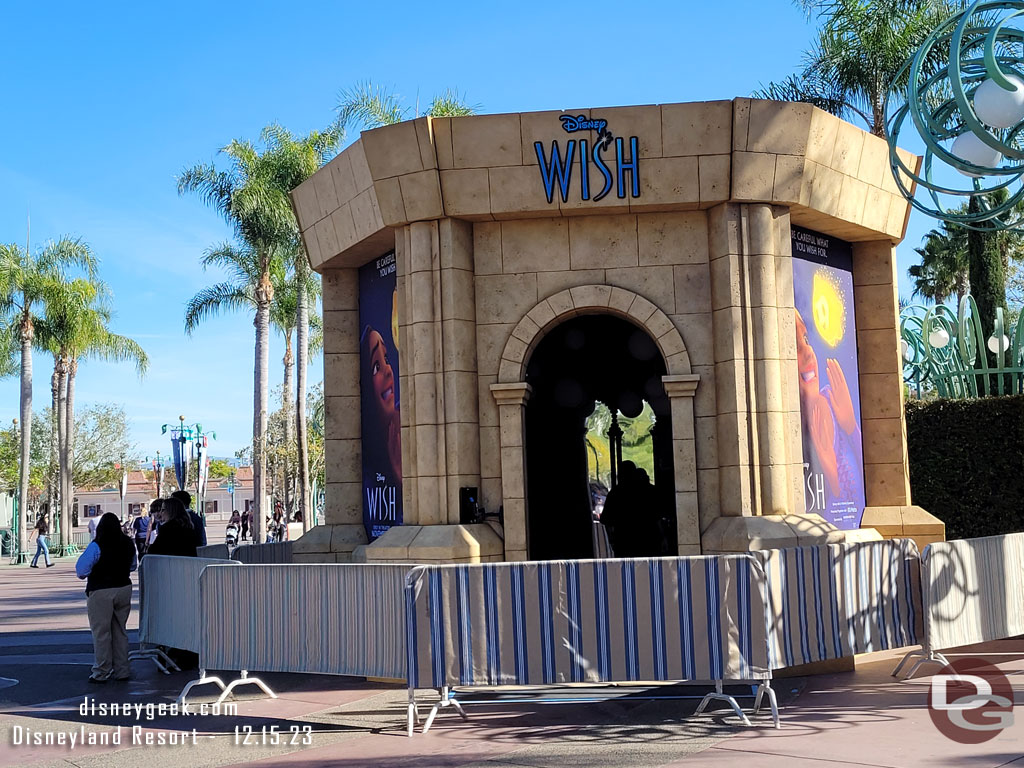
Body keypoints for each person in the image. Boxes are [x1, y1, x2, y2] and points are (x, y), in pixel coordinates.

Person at [75, 512, 137, 683]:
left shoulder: (97, 545)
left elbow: (81, 570)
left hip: (101, 590)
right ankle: (122, 669)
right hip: (124, 587)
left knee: (101, 632)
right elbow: (133, 565)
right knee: (120, 630)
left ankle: (101, 671)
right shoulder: (128, 543)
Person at [360, 326, 402, 487]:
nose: (388, 371)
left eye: (386, 359)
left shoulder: (406, 421)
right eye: (376, 367)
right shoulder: (368, 472)